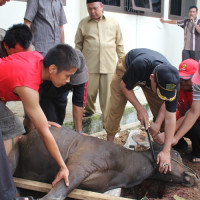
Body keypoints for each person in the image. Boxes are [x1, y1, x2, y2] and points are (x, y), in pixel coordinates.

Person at [0, 44, 80, 200]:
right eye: (67, 75)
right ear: (52, 69)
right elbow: (45, 133)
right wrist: (63, 167)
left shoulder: (37, 58)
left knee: (14, 128)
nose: (68, 81)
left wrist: (41, 120)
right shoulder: (28, 85)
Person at [105, 48, 180, 174]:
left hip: (153, 82)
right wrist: (140, 109)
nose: (163, 95)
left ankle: (161, 151)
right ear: (151, 78)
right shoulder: (141, 64)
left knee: (160, 111)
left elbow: (170, 115)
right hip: (128, 68)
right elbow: (124, 86)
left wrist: (166, 149)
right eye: (161, 92)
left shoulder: (172, 81)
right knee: (116, 107)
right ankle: (108, 146)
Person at [75, 0, 125, 126]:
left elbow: (119, 45)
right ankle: (90, 110)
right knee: (89, 93)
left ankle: (107, 123)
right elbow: (78, 45)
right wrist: (77, 65)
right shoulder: (83, 23)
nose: (92, 11)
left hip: (109, 66)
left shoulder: (113, 22)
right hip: (89, 65)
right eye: (89, 9)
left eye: (95, 8)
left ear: (102, 7)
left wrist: (122, 63)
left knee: (107, 98)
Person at [156, 59, 200, 163]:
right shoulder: (176, 84)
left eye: (187, 78)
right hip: (184, 119)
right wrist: (158, 123)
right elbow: (166, 102)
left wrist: (172, 136)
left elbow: (191, 114)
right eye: (181, 78)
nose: (183, 81)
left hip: (194, 121)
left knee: (196, 128)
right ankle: (180, 145)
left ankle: (197, 152)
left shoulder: (197, 89)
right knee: (165, 119)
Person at [39, 49, 89, 133]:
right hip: (45, 94)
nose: (69, 80)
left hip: (62, 94)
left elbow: (78, 101)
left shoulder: (82, 72)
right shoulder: (47, 70)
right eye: (68, 76)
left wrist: (79, 132)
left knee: (59, 123)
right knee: (51, 125)